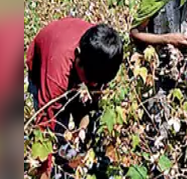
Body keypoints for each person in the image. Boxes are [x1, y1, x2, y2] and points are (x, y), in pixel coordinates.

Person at [26, 18, 124, 177]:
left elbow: (92, 99)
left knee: (84, 130)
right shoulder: (56, 77)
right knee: (56, 133)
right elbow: (44, 129)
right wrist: (44, 169)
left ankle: (72, 157)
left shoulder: (104, 53)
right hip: (43, 68)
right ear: (77, 56)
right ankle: (60, 166)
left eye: (97, 83)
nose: (93, 85)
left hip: (74, 69)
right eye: (90, 81)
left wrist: (82, 129)